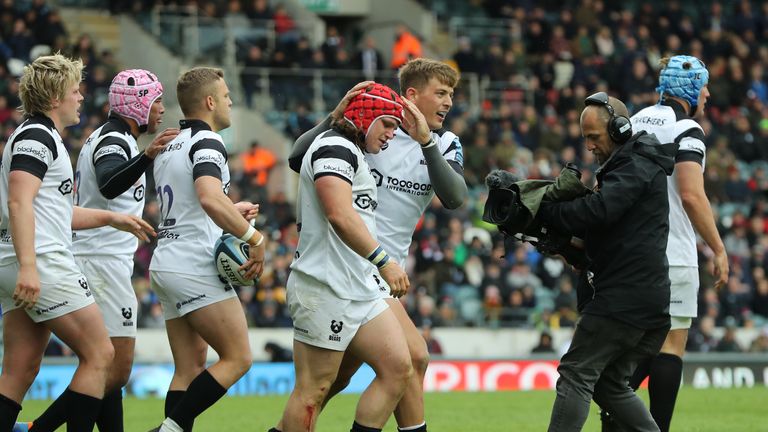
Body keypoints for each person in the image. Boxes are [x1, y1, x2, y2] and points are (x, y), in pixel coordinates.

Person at [272, 58, 467, 432]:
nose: (448, 103)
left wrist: (426, 141)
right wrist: (336, 115)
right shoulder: (369, 129)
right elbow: (299, 158)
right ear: (412, 95)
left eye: (451, 95)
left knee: (356, 375)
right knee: (406, 360)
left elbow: (455, 197)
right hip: (351, 264)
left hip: (378, 271)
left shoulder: (443, 143)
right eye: (440, 93)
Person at [0, 54, 155, 432]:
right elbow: (18, 201)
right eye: (74, 90)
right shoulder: (36, 136)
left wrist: (109, 217)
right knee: (101, 356)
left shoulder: (41, 136)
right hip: (40, 259)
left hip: (20, 257)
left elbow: (51, 212)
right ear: (55, 98)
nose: (81, 98)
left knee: (21, 367)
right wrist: (31, 266)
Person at [602, 55, 730, 432]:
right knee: (670, 346)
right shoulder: (687, 128)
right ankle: (652, 427)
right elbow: (691, 195)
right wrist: (718, 248)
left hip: (627, 257)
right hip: (671, 253)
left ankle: (614, 414)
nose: (707, 93)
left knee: (629, 349)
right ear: (690, 89)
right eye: (703, 85)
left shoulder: (634, 121)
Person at [276, 82, 414, 432]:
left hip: (358, 286)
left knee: (399, 367)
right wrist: (385, 260)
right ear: (366, 115)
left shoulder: (351, 151)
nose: (391, 135)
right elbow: (339, 214)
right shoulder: (334, 149)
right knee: (313, 390)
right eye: (388, 124)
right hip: (324, 286)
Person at [536, 92, 675, 431]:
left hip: (624, 300)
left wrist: (547, 211)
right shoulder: (633, 164)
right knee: (608, 385)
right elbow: (608, 235)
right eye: (585, 137)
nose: (589, 146)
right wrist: (563, 244)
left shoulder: (635, 164)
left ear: (619, 129)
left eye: (594, 137)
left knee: (576, 374)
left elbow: (600, 211)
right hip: (646, 300)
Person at [147, 67, 265, 432]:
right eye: (227, 95)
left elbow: (194, 204)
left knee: (189, 366)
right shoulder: (209, 142)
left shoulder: (170, 146)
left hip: (166, 262)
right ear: (210, 102)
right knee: (239, 357)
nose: (231, 102)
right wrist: (255, 239)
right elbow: (209, 198)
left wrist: (230, 212)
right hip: (193, 263)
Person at [64, 69, 178, 431]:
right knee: (116, 368)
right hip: (100, 262)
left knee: (105, 367)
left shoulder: (111, 136)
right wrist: (148, 156)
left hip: (103, 259)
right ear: (138, 103)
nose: (162, 109)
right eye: (156, 100)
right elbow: (110, 183)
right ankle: (40, 426)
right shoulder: (115, 139)